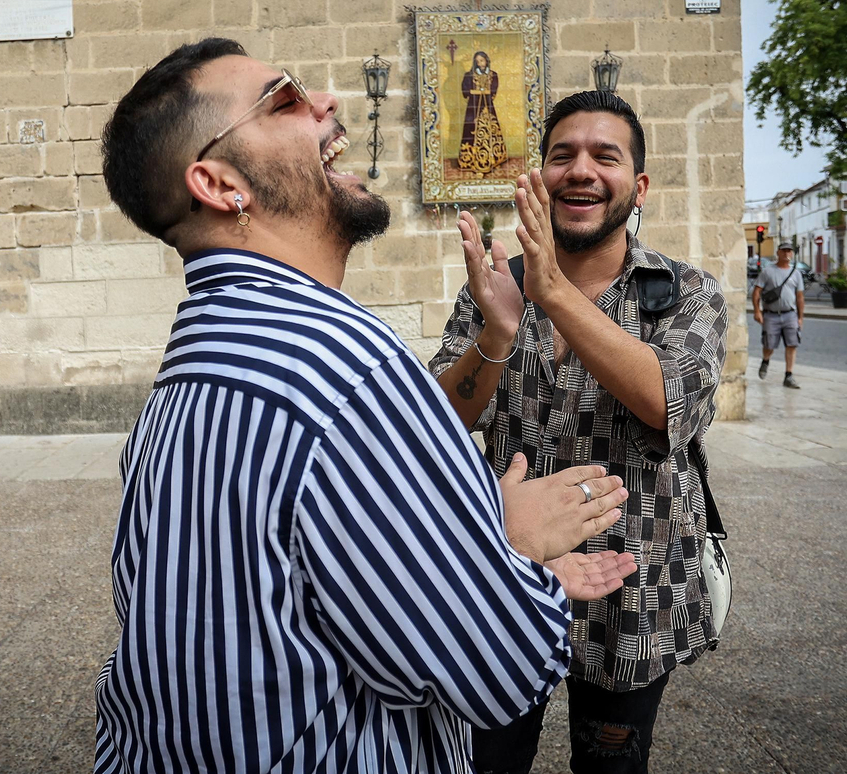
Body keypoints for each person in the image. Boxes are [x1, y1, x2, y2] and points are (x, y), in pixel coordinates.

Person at [93, 38, 639, 774]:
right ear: (219, 183)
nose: (328, 102)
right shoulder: (345, 360)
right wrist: (503, 549)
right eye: (284, 99)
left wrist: (464, 545)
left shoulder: (185, 375)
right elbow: (494, 666)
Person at [429, 91, 729, 774]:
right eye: (562, 154)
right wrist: (497, 334)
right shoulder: (491, 289)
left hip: (634, 594)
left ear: (639, 184)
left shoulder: (686, 292)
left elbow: (669, 403)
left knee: (609, 767)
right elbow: (437, 427)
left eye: (605, 155)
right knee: (481, 762)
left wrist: (553, 290)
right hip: (507, 579)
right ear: (539, 178)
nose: (581, 169)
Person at [753, 241, 804, 388]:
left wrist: (800, 317)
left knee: (792, 344)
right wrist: (757, 311)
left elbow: (799, 297)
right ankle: (766, 360)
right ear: (778, 253)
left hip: (790, 314)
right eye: (784, 251)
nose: (787, 253)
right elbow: (757, 292)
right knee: (769, 344)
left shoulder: (796, 274)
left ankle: (788, 375)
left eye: (789, 251)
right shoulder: (768, 271)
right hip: (771, 315)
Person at [458, 51, 507, 174]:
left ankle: (494, 158)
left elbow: (493, 90)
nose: (480, 63)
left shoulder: (493, 75)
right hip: (473, 108)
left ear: (486, 61)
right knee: (471, 130)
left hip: (487, 106)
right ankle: (469, 160)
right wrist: (474, 91)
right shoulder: (469, 75)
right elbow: (464, 91)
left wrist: (486, 91)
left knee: (491, 130)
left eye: (482, 60)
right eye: (478, 61)